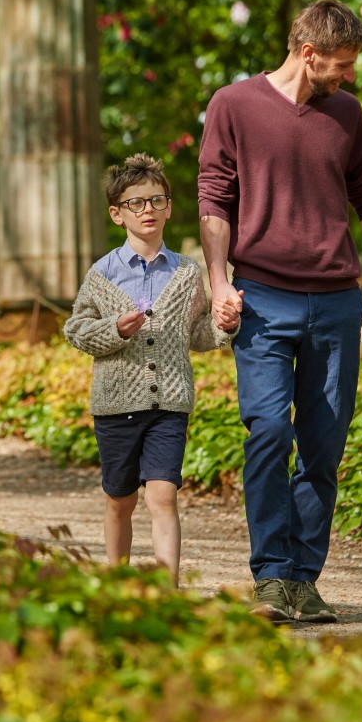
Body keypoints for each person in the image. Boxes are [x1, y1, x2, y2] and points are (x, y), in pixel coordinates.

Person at [197, 0, 362, 624]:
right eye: (342, 64)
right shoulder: (234, 105)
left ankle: (303, 578)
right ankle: (270, 576)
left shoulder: (346, 115)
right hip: (263, 298)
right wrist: (218, 282)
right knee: (269, 430)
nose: (348, 75)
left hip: (334, 302)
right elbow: (214, 200)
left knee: (324, 446)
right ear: (308, 53)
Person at [64, 153, 239, 585]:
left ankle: (166, 591)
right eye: (136, 203)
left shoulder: (185, 272)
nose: (147, 210)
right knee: (120, 501)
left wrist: (223, 325)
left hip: (170, 403)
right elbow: (77, 329)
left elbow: (195, 333)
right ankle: (117, 585)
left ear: (169, 207)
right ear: (117, 213)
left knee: (163, 495)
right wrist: (115, 330)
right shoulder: (102, 274)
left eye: (156, 201)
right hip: (115, 405)